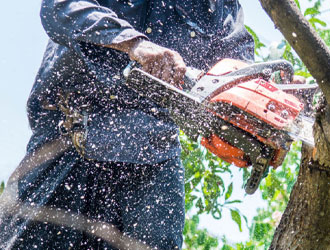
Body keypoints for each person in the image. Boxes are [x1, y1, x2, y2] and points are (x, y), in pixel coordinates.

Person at [0, 0, 254, 249]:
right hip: (71, 139)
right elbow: (58, 8)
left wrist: (266, 107)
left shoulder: (218, 5)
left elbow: (240, 73)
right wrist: (133, 43)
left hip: (155, 156)